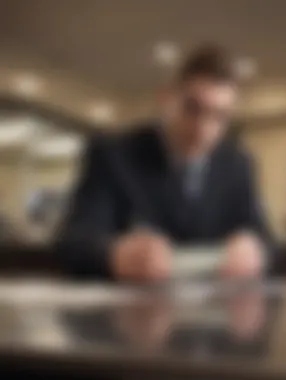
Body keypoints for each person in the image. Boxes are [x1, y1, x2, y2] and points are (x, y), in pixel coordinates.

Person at [55, 44, 274, 281]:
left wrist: (255, 251)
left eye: (220, 116)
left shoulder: (238, 164)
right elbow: (73, 242)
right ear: (166, 99)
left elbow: (267, 243)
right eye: (193, 108)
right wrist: (114, 254)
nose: (204, 130)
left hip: (215, 314)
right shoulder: (113, 154)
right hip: (131, 310)